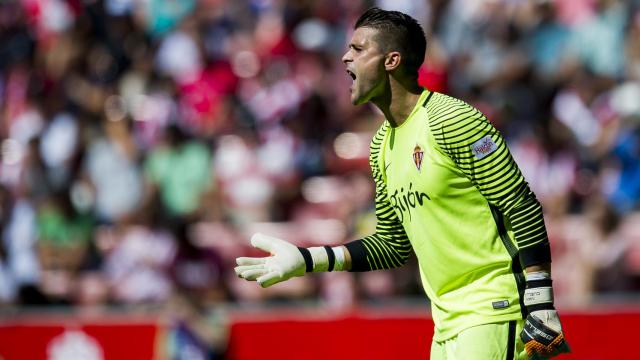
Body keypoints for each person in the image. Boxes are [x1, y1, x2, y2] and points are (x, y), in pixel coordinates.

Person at [235, 7, 570, 360]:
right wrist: (308, 259)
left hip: (495, 310)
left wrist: (540, 300)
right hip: (445, 325)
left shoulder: (452, 119)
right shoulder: (381, 144)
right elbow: (392, 245)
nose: (345, 57)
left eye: (359, 49)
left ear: (391, 60)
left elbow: (521, 203)